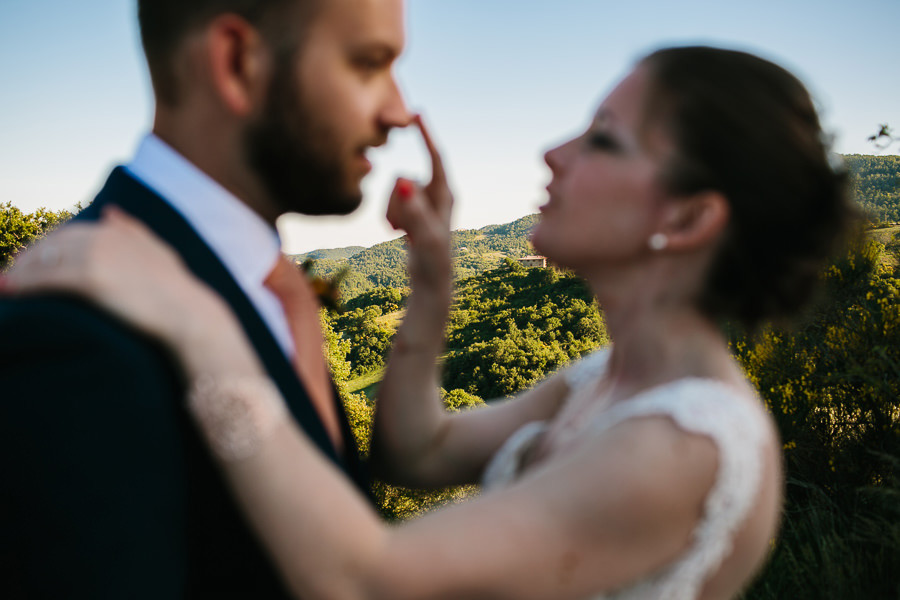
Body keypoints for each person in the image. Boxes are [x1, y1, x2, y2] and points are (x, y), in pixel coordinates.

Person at [4, 46, 853, 600]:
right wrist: (433, 277)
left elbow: (366, 581)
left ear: (692, 216)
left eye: (603, 141)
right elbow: (415, 452)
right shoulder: (604, 379)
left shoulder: (681, 444)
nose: (553, 153)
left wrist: (201, 326)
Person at [0, 0, 411, 597]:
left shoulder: (271, 288)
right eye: (368, 64)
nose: (398, 111)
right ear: (237, 62)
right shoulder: (70, 334)